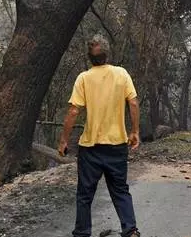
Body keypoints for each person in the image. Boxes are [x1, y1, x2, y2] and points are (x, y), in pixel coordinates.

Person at [58, 34, 141, 237]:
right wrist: (135, 131)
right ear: (107, 54)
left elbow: (73, 112)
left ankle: (82, 233)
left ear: (89, 57)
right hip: (117, 146)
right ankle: (130, 230)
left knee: (85, 194)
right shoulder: (121, 74)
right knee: (120, 190)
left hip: (91, 148)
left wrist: (63, 140)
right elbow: (133, 102)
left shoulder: (84, 78)